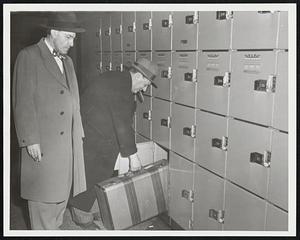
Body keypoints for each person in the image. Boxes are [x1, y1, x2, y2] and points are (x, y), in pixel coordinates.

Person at [12, 12, 86, 230]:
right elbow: (22, 101)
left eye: (74, 38)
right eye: (68, 37)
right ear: (53, 32)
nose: (72, 43)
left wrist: (78, 134)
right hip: (43, 145)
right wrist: (30, 139)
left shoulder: (68, 61)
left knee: (60, 203)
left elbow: (74, 100)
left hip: (66, 147)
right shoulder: (29, 56)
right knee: (43, 203)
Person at [68, 58, 159, 228]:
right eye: (145, 83)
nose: (144, 89)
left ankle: (84, 209)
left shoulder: (119, 80)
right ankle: (80, 215)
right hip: (92, 136)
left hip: (95, 132)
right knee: (90, 173)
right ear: (138, 76)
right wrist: (133, 157)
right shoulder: (120, 86)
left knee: (97, 173)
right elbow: (122, 122)